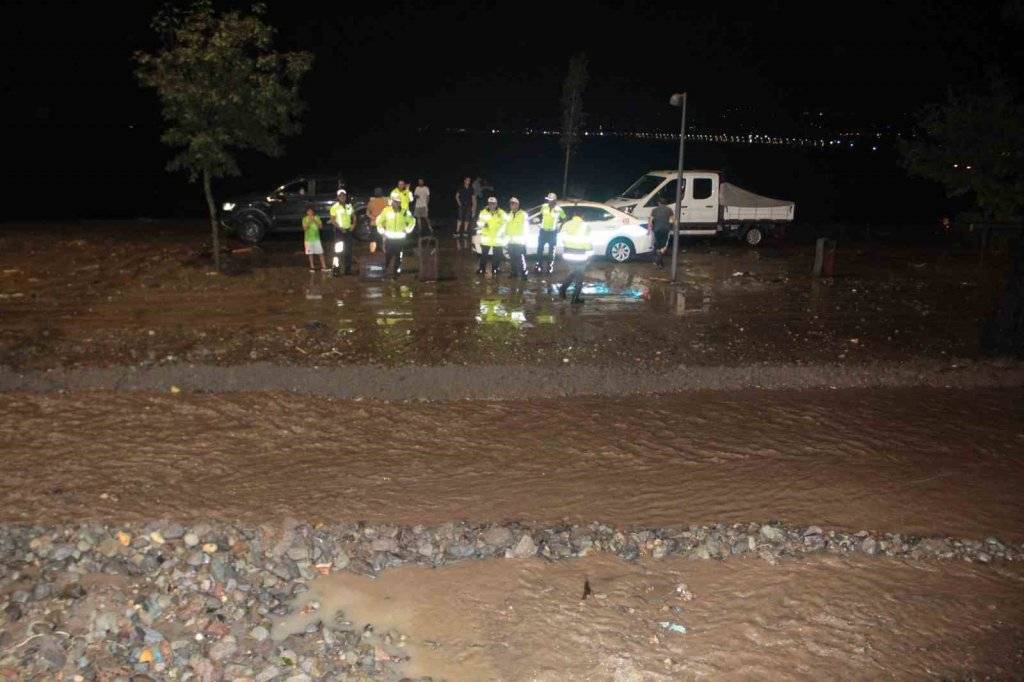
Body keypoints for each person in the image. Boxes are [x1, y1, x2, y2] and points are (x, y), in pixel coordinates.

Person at [375, 197, 416, 277]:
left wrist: (407, 230)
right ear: (392, 203)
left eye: (398, 202)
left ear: (400, 203)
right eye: (394, 202)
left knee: (398, 256)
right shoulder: (386, 210)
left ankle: (396, 272)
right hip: (389, 238)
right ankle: (384, 271)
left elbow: (412, 221)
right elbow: (379, 221)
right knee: (388, 255)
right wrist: (382, 231)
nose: (396, 204)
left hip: (400, 239)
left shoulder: (404, 212)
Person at [557, 214, 592, 304]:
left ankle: (563, 289)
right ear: (582, 217)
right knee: (579, 276)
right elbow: (588, 242)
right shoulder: (585, 226)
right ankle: (574, 298)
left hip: (568, 254)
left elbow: (561, 238)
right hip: (580, 255)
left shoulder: (566, 224)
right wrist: (589, 255)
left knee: (573, 272)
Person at [476, 196, 507, 276]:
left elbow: (506, 223)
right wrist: (483, 224)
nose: (492, 205)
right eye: (490, 204)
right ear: (488, 204)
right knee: (484, 255)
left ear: (496, 204)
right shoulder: (483, 212)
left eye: (493, 204)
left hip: (497, 238)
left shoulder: (501, 212)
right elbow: (479, 222)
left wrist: (502, 232)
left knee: (498, 256)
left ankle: (495, 269)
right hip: (487, 238)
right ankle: (481, 269)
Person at [536, 192, 566, 273]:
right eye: (548, 200)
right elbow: (540, 216)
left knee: (551, 251)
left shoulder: (559, 210)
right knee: (539, 249)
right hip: (543, 232)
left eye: (551, 200)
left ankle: (549, 267)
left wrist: (560, 227)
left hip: (552, 233)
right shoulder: (544, 206)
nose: (549, 201)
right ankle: (539, 265)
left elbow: (564, 219)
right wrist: (539, 223)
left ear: (555, 200)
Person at [328, 189, 356, 276]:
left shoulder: (349, 206)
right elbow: (332, 220)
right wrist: (340, 228)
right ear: (338, 197)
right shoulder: (334, 207)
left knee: (348, 251)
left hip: (348, 231)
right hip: (339, 232)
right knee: (338, 251)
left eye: (343, 195)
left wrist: (353, 225)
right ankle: (336, 270)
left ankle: (348, 270)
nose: (342, 197)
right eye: (340, 196)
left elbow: (354, 216)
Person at [504, 197, 529, 281]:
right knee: (512, 258)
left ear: (517, 205)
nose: (512, 205)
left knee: (520, 259)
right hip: (510, 241)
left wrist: (525, 240)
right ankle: (513, 273)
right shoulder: (509, 215)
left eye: (513, 204)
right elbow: (506, 227)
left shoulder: (523, 214)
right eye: (511, 204)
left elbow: (526, 228)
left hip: (519, 242)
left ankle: (524, 274)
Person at [649, 197, 675, 268]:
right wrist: (671, 226)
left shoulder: (654, 210)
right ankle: (659, 260)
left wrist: (649, 230)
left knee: (657, 244)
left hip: (656, 229)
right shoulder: (669, 209)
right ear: (666, 203)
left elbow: (650, 221)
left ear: (658, 203)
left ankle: (658, 260)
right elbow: (673, 220)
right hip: (665, 229)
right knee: (663, 246)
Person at [302, 206, 327, 272]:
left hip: (316, 239)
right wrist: (310, 221)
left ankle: (324, 267)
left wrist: (314, 220)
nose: (310, 212)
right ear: (306, 212)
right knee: (310, 254)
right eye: (308, 211)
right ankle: (312, 267)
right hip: (308, 239)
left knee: (320, 253)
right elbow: (305, 228)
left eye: (311, 211)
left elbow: (321, 227)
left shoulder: (317, 217)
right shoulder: (304, 219)